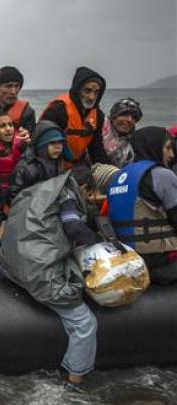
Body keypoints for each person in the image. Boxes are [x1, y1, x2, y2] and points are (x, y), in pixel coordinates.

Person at [0, 164, 100, 384]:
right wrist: (98, 241)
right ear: (82, 187)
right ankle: (75, 378)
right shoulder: (67, 194)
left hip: (12, 267)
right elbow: (73, 227)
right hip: (37, 271)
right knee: (85, 323)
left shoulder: (39, 190)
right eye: (89, 194)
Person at [105, 126, 177, 283]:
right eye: (168, 148)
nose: (172, 155)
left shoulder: (118, 176)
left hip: (127, 254)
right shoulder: (162, 174)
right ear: (154, 146)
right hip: (156, 255)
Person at [40, 66, 112, 167]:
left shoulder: (97, 115)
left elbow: (97, 150)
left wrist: (110, 171)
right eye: (87, 91)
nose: (92, 97)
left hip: (78, 165)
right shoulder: (57, 110)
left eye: (96, 92)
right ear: (78, 90)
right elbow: (41, 145)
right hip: (51, 165)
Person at [8, 120, 66, 204]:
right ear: (42, 145)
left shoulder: (59, 163)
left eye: (60, 142)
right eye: (53, 143)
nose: (58, 147)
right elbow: (13, 196)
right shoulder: (24, 168)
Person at [102, 98, 142, 167]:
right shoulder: (99, 131)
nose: (129, 120)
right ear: (114, 116)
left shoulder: (133, 147)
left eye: (133, 117)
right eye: (125, 114)